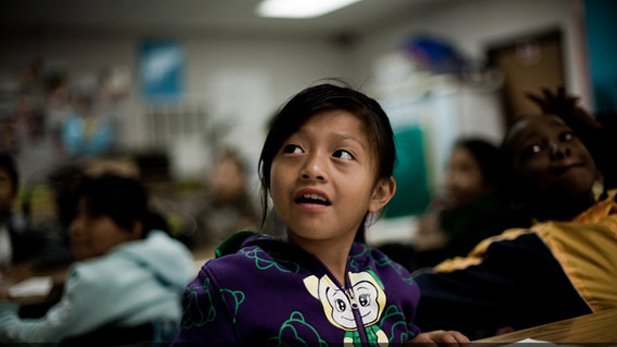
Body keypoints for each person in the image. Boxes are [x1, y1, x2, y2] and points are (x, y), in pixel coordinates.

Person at [172, 83, 469, 346]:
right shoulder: (227, 286)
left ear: (379, 192)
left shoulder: (395, 281)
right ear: (268, 177)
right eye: (293, 148)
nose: (312, 168)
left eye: (341, 154)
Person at [414, 103, 617, 338]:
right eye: (533, 150)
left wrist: (597, 137)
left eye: (567, 136)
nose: (559, 149)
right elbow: (421, 291)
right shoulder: (534, 253)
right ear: (514, 195)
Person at [0, 174, 195, 344]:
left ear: (133, 228)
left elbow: (37, 338)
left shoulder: (92, 280)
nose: (76, 228)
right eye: (77, 215)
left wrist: (4, 312)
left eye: (93, 216)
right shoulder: (170, 256)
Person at [379, 138, 519, 271]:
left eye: (464, 169)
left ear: (490, 177)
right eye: (449, 168)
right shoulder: (453, 212)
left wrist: (431, 236)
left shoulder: (486, 213)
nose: (451, 179)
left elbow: (435, 245)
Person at [186, 149, 260, 248]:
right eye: (218, 174)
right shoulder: (200, 209)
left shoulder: (254, 207)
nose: (222, 181)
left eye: (227, 174)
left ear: (242, 177)